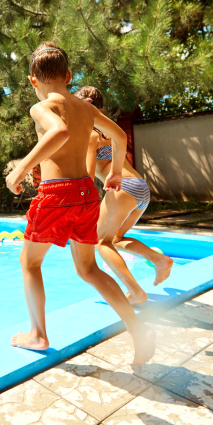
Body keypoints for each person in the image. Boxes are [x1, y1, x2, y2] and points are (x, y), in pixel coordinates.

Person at [5, 42, 156, 366]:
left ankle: (38, 334)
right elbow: (119, 138)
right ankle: (138, 329)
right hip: (87, 193)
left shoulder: (42, 107)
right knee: (88, 269)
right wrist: (115, 172)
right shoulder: (86, 108)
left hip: (57, 195)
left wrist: (20, 168)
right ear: (69, 75)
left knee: (30, 264)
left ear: (33, 80)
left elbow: (58, 132)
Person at [75, 86, 174, 304]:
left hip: (123, 189)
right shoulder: (109, 129)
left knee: (100, 242)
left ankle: (136, 292)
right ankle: (159, 260)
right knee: (115, 238)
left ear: (87, 105)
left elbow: (89, 175)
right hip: (140, 187)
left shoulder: (89, 133)